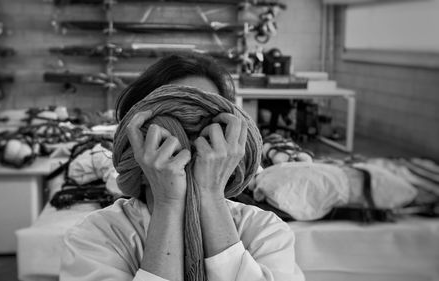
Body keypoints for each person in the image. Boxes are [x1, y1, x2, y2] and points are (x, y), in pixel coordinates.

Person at [60, 53, 305, 281]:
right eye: (175, 119)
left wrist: (209, 194)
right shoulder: (97, 237)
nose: (189, 140)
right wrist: (168, 203)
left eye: (204, 121)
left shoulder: (264, 231)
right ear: (135, 138)